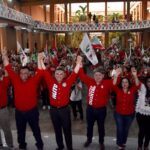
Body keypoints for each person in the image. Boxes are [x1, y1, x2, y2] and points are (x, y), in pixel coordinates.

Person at [1, 48, 44, 150]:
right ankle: (22, 146)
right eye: (22, 73)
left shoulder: (34, 81)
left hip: (32, 112)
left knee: (36, 130)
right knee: (20, 131)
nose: (24, 74)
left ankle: (40, 146)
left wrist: (39, 59)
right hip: (19, 112)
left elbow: (40, 71)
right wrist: (4, 56)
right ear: (19, 74)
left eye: (26, 73)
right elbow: (7, 67)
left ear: (29, 74)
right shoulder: (15, 80)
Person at [39, 54, 82, 150]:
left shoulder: (68, 82)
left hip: (64, 111)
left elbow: (74, 73)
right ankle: (60, 146)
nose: (58, 75)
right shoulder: (51, 81)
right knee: (57, 130)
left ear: (64, 75)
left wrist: (78, 63)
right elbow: (45, 71)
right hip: (53, 111)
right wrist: (40, 60)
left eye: (61, 74)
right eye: (57, 73)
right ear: (54, 74)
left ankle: (69, 147)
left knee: (67, 130)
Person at [78, 66, 113, 150]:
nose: (97, 77)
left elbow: (116, 82)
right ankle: (89, 140)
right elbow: (82, 76)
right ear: (93, 76)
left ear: (103, 76)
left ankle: (101, 142)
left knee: (101, 127)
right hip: (90, 109)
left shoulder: (107, 83)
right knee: (89, 126)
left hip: (101, 110)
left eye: (100, 75)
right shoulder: (90, 81)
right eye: (96, 75)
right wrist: (80, 65)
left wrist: (117, 74)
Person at [113, 67, 141, 150]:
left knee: (125, 129)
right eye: (123, 82)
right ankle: (119, 144)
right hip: (119, 114)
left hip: (130, 114)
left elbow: (138, 85)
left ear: (129, 83)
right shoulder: (118, 90)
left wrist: (135, 76)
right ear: (121, 84)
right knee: (120, 129)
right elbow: (113, 85)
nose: (124, 83)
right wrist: (116, 76)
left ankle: (123, 142)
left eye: (126, 82)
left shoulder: (132, 90)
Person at [0, 67, 14, 149]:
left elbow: (7, 74)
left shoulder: (4, 82)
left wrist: (5, 65)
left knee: (6, 128)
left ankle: (10, 144)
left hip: (3, 110)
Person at [136, 76, 150, 150]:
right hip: (141, 114)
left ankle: (146, 146)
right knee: (142, 130)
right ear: (146, 82)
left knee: (148, 132)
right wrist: (135, 75)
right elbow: (137, 82)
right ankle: (140, 146)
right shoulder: (143, 88)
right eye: (148, 81)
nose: (149, 83)